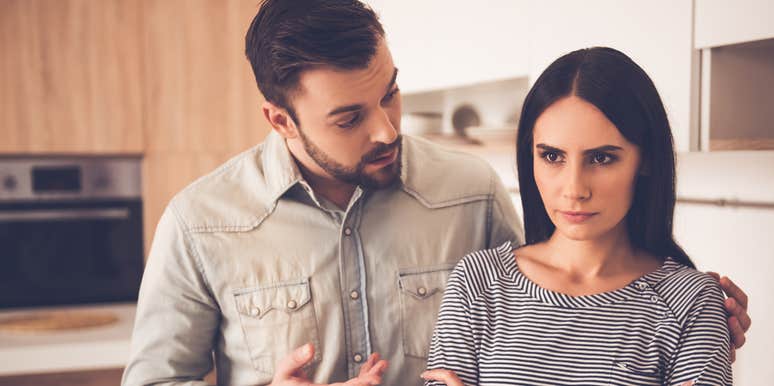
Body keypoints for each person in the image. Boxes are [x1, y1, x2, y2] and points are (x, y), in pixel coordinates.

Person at [121, 1, 751, 385]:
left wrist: (695, 317)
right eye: (349, 119)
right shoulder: (200, 223)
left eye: (390, 92)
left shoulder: (470, 193)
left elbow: (563, 305)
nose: (387, 128)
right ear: (280, 121)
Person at [421, 47, 740, 386]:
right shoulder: (477, 283)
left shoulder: (692, 302)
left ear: (645, 160)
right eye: (552, 156)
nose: (574, 189)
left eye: (601, 158)